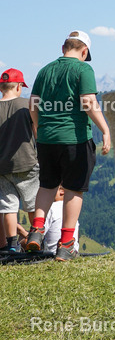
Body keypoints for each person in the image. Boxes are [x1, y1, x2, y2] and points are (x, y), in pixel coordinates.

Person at [27, 30, 110, 261]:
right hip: (74, 139)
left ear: (63, 48)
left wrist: (37, 129)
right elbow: (88, 101)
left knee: (47, 185)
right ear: (84, 51)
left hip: (46, 139)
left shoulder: (44, 70)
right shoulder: (84, 69)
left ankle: (36, 231)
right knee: (74, 189)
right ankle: (65, 244)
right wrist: (105, 129)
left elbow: (33, 104)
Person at [0, 68, 39, 254]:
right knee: (32, 205)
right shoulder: (26, 105)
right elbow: (38, 131)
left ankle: (12, 245)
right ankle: (35, 241)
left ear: (2, 88)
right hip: (27, 163)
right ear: (17, 86)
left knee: (8, 208)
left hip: (2, 167)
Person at [25, 186, 80, 256]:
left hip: (52, 252)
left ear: (62, 191)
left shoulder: (51, 208)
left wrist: (21, 232)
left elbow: (41, 235)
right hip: (72, 250)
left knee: (24, 240)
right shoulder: (71, 211)